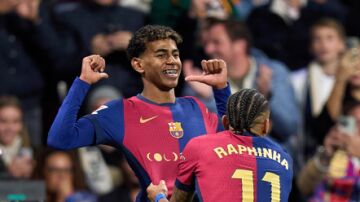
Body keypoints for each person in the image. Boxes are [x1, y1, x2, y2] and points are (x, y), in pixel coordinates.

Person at [47, 25, 230, 201]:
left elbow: (235, 142)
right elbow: (60, 138)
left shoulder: (196, 107)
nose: (172, 61)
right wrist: (83, 82)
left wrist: (221, 89)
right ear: (138, 65)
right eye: (161, 55)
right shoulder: (120, 112)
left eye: (175, 54)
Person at [147, 89, 293, 202]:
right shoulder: (285, 158)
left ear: (224, 122)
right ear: (266, 126)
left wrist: (158, 197)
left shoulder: (199, 146)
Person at [185, 17, 299, 142]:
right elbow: (196, 136)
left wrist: (268, 97)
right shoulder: (202, 81)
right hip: (225, 157)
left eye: (216, 42)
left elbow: (290, 126)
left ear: (239, 45)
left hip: (272, 157)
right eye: (206, 43)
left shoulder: (274, 72)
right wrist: (210, 98)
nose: (208, 49)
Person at [291, 17, 346, 166]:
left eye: (329, 38)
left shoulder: (351, 79)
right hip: (310, 157)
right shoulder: (298, 81)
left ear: (341, 44)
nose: (323, 45)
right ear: (310, 46)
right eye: (317, 39)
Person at [297, 101, 360, 201]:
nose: (357, 128)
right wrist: (325, 156)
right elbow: (303, 187)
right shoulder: (336, 149)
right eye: (352, 122)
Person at [0, 96, 34, 179]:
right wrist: (8, 174)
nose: (9, 128)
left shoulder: (32, 153)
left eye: (15, 121)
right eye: (3, 121)